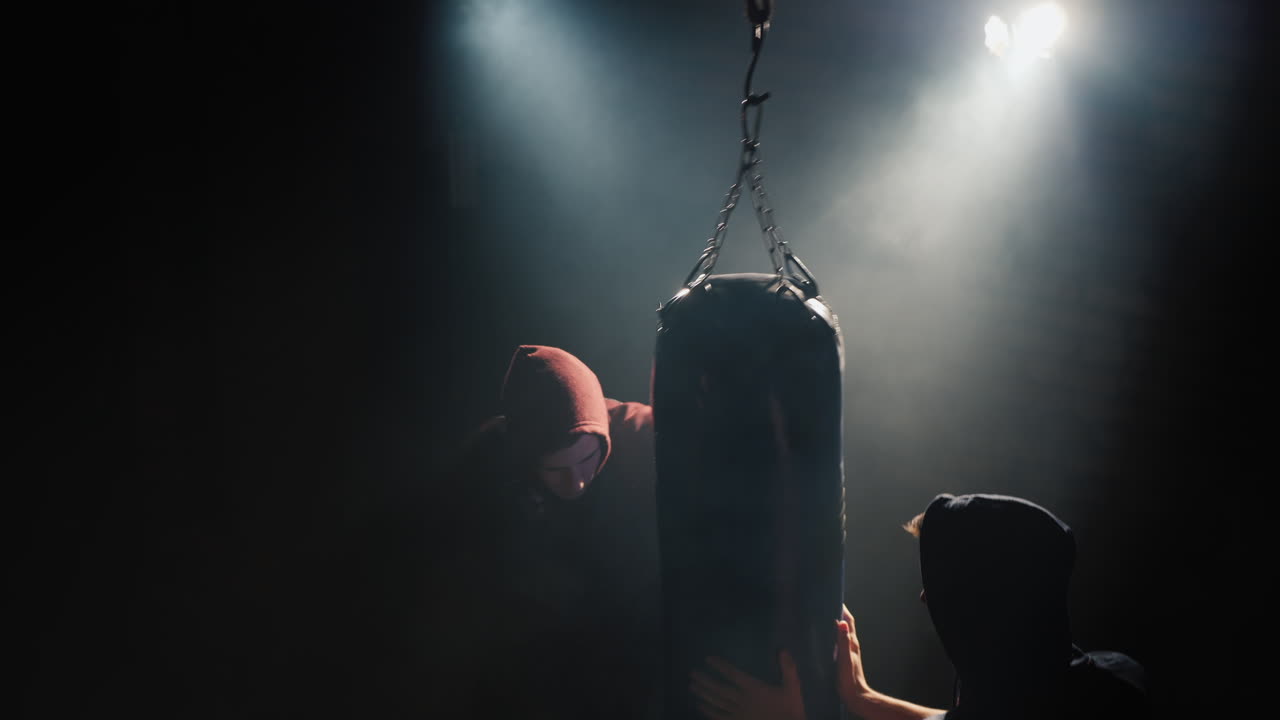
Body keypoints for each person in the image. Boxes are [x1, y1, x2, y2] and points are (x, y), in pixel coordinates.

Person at [689, 493, 1149, 720]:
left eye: (944, 587)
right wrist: (863, 698)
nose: (926, 598)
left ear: (984, 600)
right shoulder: (1067, 685)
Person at [434, 344, 662, 719]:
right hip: (541, 645)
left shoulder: (646, 436)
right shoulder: (487, 460)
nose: (577, 484)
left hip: (635, 638)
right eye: (556, 470)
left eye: (588, 460)